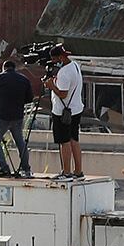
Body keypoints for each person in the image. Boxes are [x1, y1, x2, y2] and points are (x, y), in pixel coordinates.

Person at [0, 56, 35, 178]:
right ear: (14, 68)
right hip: (18, 116)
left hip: (2, 116)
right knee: (20, 143)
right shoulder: (24, 79)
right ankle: (26, 169)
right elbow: (29, 98)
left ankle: (4, 168)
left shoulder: (0, 77)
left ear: (4, 68)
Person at [43, 47, 85, 181]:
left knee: (64, 141)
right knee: (74, 139)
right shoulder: (75, 66)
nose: (54, 62)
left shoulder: (64, 73)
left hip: (63, 112)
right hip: (76, 109)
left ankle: (66, 172)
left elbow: (63, 94)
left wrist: (51, 86)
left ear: (60, 57)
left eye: (55, 59)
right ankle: (78, 171)